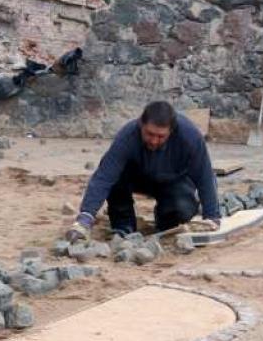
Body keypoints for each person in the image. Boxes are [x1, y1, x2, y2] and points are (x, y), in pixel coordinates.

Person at [67, 101, 220, 241]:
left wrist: (211, 216)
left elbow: (204, 176)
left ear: (171, 131)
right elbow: (104, 177)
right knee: (116, 180)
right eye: (150, 134)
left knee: (180, 214)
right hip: (138, 178)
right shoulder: (128, 136)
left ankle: (165, 220)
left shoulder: (190, 137)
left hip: (173, 180)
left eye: (160, 136)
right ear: (141, 124)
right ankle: (124, 226)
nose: (154, 141)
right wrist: (85, 218)